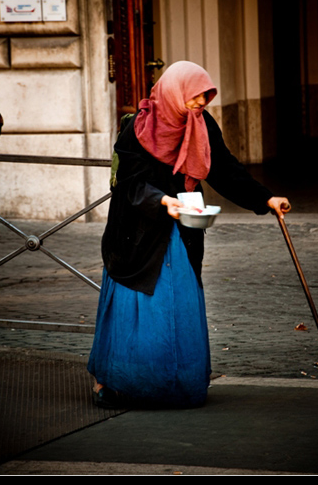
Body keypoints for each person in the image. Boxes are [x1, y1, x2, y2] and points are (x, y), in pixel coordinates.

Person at [87, 60, 290, 409]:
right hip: (137, 234)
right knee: (138, 309)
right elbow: (130, 184)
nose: (199, 105)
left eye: (204, 97)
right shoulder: (137, 128)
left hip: (182, 232)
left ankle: (178, 383)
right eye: (194, 97)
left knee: (178, 305)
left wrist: (265, 199)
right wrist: (161, 200)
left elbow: (224, 169)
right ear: (173, 92)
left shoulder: (200, 124)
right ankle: (119, 382)